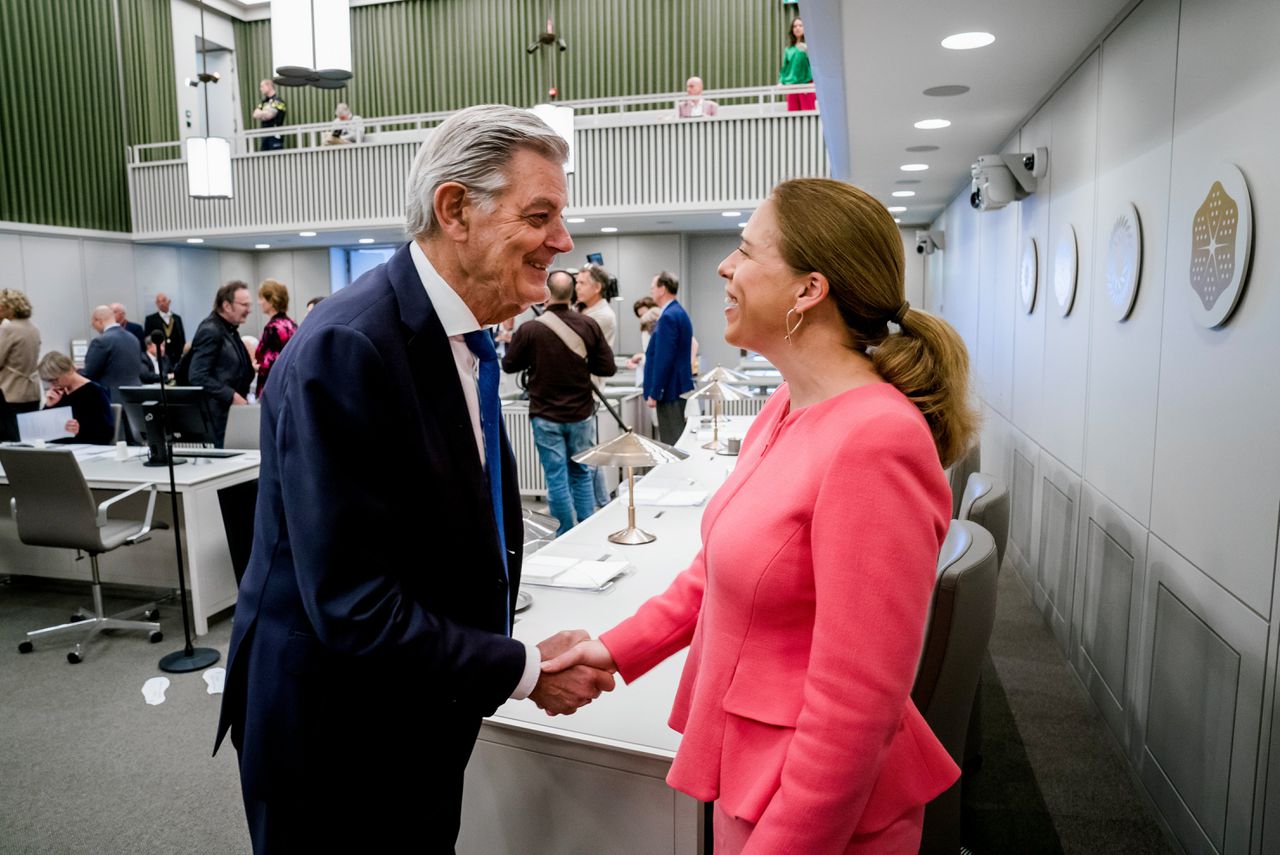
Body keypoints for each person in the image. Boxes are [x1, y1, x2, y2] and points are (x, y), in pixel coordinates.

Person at [214, 105, 616, 853]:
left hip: (415, 709)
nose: (564, 241)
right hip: (338, 739)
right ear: (455, 209)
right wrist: (524, 668)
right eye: (541, 214)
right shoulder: (350, 345)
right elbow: (355, 606)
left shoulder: (459, 339)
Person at [542, 178, 978, 854]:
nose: (724, 266)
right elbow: (714, 574)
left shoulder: (876, 440)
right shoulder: (785, 407)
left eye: (746, 250)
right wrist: (613, 650)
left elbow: (856, 707)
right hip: (754, 774)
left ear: (809, 290)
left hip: (812, 814)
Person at [502, 270, 616, 534]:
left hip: (545, 415)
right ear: (572, 294)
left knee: (556, 477)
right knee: (581, 472)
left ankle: (565, 533)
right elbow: (607, 367)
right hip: (581, 414)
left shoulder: (530, 329)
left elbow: (509, 365)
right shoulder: (588, 325)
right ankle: (587, 528)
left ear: (545, 293)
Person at [188, 282, 254, 448]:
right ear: (226, 305)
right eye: (244, 305)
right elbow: (197, 375)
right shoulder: (211, 330)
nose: (249, 310)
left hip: (228, 414)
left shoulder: (228, 329)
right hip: (217, 417)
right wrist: (231, 395)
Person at [573, 264, 618, 507]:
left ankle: (601, 503)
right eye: (576, 282)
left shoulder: (602, 316)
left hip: (588, 389)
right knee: (584, 452)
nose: (576, 287)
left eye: (582, 283)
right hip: (576, 389)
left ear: (597, 287)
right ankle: (596, 502)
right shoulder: (581, 310)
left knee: (588, 452)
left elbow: (575, 343)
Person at [641, 271, 694, 444]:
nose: (651, 291)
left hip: (670, 390)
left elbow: (664, 358)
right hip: (676, 387)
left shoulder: (669, 316)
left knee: (672, 442)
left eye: (652, 288)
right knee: (676, 438)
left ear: (662, 289)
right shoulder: (677, 312)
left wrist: (655, 392)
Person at [38, 352, 114, 445]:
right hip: (59, 447)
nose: (52, 385)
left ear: (69, 371)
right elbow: (43, 431)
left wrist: (80, 430)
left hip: (84, 447)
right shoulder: (59, 393)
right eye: (49, 381)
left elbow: (106, 433)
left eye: (55, 379)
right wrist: (49, 406)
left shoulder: (94, 392)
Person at [0, 289, 42, 440]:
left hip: (10, 392)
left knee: (10, 440)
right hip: (31, 391)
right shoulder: (33, 327)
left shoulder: (8, 328)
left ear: (7, 307)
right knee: (29, 438)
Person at [82, 305, 142, 401]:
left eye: (93, 324)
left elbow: (89, 373)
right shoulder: (133, 338)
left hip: (111, 397)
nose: (94, 327)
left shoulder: (101, 341)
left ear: (99, 320)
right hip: (135, 396)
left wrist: (73, 372)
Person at [254, 279, 297, 397]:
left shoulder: (273, 328)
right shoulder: (292, 324)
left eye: (261, 298)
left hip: (273, 389)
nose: (259, 302)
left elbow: (271, 363)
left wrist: (257, 367)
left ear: (271, 301)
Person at [779, 17, 816, 112]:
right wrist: (781, 82)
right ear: (792, 30)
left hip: (806, 84)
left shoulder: (810, 46)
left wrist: (808, 49)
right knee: (793, 113)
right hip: (792, 86)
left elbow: (816, 63)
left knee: (808, 112)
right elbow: (785, 68)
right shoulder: (788, 50)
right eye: (795, 26)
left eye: (800, 25)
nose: (797, 28)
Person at [144, 292, 186, 361]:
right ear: (156, 304)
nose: (161, 303)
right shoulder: (150, 319)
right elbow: (148, 338)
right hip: (160, 355)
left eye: (163, 300)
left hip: (177, 355)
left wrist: (183, 353)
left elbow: (182, 337)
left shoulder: (177, 318)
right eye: (158, 302)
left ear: (169, 302)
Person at [251, 79, 287, 151]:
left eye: (262, 86)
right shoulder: (264, 102)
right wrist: (265, 112)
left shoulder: (278, 101)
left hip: (275, 137)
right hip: (264, 136)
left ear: (269, 86)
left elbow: (270, 115)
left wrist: (262, 114)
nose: (260, 89)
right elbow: (255, 114)